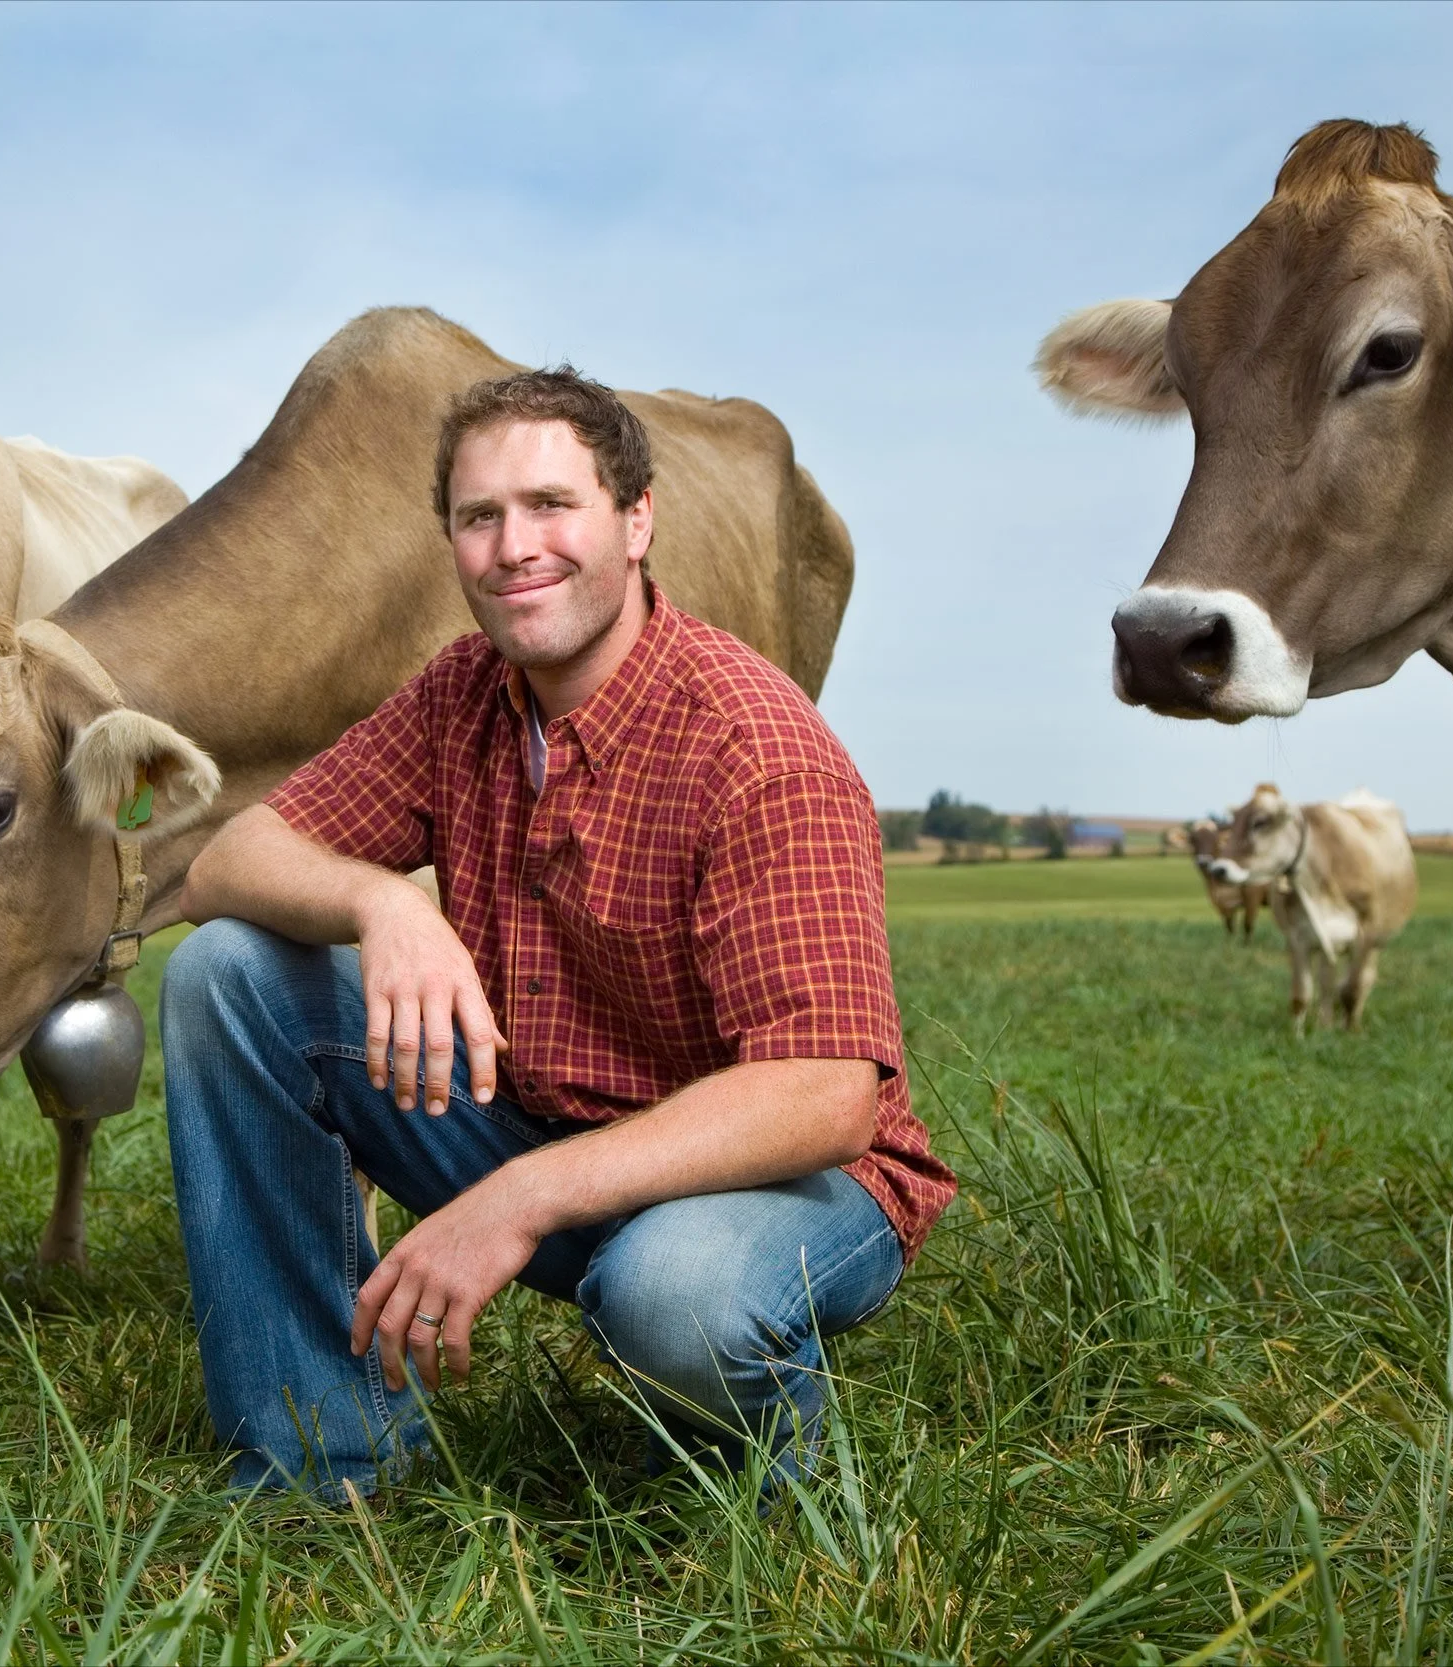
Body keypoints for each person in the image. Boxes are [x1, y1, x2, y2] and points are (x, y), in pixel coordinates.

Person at [165, 366, 953, 1496]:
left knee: (674, 1293)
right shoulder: (464, 693)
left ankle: (753, 1485)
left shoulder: (757, 748)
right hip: (542, 1120)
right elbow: (222, 862)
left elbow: (824, 1097)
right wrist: (384, 903)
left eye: (550, 505)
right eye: (478, 517)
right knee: (227, 974)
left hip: (778, 1181)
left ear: (636, 522)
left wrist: (515, 1199)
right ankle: (321, 1463)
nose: (513, 545)